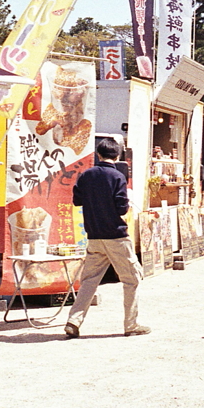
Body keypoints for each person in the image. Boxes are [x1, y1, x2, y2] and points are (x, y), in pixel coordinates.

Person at [65, 137, 149, 338]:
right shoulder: (118, 177)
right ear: (118, 155)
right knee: (131, 280)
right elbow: (121, 207)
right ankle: (131, 325)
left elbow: (77, 201)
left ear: (98, 154)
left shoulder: (86, 175)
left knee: (89, 281)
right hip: (116, 237)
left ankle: (73, 321)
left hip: (94, 236)